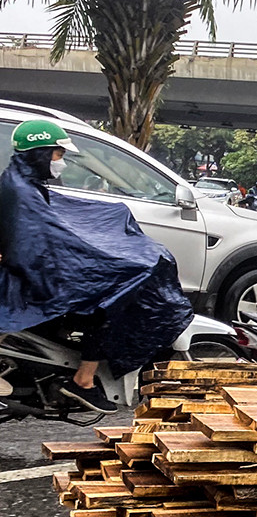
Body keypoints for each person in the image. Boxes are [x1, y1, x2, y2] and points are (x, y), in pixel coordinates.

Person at [0, 120, 192, 413]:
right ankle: (83, 380)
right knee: (110, 302)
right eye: (57, 155)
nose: (60, 163)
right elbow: (38, 251)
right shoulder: (23, 192)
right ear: (40, 154)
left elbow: (55, 231)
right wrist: (109, 263)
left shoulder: (22, 183)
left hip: (30, 271)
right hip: (28, 281)